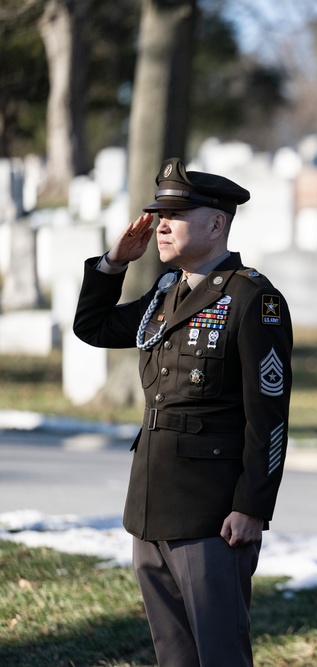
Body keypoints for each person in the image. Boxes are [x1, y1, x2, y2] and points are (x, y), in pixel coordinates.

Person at [73, 158, 293, 667]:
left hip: (213, 512)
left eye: (176, 213)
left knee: (219, 653)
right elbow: (95, 328)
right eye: (158, 213)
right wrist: (114, 263)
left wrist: (253, 505)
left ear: (217, 223)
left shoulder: (253, 298)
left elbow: (269, 416)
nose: (161, 224)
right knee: (173, 654)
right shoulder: (165, 293)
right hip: (151, 502)